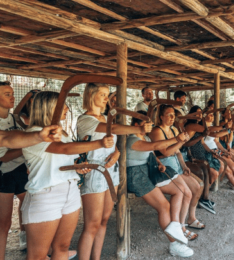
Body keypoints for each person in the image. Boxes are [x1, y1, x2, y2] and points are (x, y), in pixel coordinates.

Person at [21, 91, 115, 260]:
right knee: (38, 255)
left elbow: (62, 161)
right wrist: (99, 143)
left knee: (63, 247)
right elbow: (63, 150)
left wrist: (77, 168)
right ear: (49, 108)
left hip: (69, 191)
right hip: (45, 195)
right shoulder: (34, 134)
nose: (67, 108)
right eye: (62, 105)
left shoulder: (62, 135)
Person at [77, 83, 152, 260]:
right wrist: (137, 129)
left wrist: (117, 153)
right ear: (90, 95)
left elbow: (116, 142)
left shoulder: (105, 117)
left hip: (111, 171)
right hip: (94, 171)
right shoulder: (85, 119)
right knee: (91, 225)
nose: (105, 98)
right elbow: (113, 130)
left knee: (104, 220)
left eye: (106, 94)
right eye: (102, 94)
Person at [0, 83, 61, 260]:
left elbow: (20, 110)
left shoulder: (14, 119)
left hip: (19, 169)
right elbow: (3, 157)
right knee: (3, 223)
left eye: (12, 93)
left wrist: (28, 96)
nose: (12, 97)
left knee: (30, 208)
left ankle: (33, 246)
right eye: (7, 94)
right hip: (4, 173)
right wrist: (31, 146)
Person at [126, 111, 193, 257]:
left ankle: (175, 224)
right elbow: (155, 146)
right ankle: (174, 244)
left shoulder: (145, 137)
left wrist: (158, 163)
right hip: (136, 175)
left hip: (147, 171)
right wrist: (176, 139)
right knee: (163, 206)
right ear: (136, 125)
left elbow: (151, 152)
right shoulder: (132, 140)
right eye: (146, 124)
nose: (149, 126)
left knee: (178, 190)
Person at [149, 104, 205, 234]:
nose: (172, 117)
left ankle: (190, 218)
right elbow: (166, 152)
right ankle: (181, 227)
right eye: (169, 115)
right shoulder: (157, 131)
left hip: (177, 166)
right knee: (187, 193)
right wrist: (180, 141)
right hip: (164, 167)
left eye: (173, 115)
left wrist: (184, 166)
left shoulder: (174, 130)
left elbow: (178, 152)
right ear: (161, 117)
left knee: (197, 186)